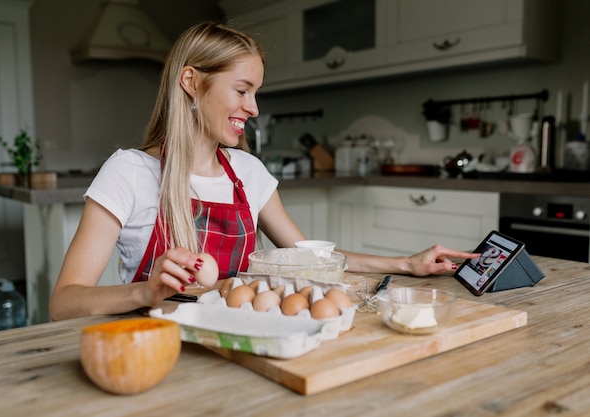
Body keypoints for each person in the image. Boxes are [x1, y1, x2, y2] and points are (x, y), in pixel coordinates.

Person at [49, 22, 478, 321]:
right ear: (191, 82)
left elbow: (314, 262)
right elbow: (64, 302)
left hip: (243, 347)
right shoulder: (129, 173)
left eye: (256, 93)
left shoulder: (249, 173)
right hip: (158, 350)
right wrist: (145, 291)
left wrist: (407, 263)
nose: (253, 109)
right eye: (241, 90)